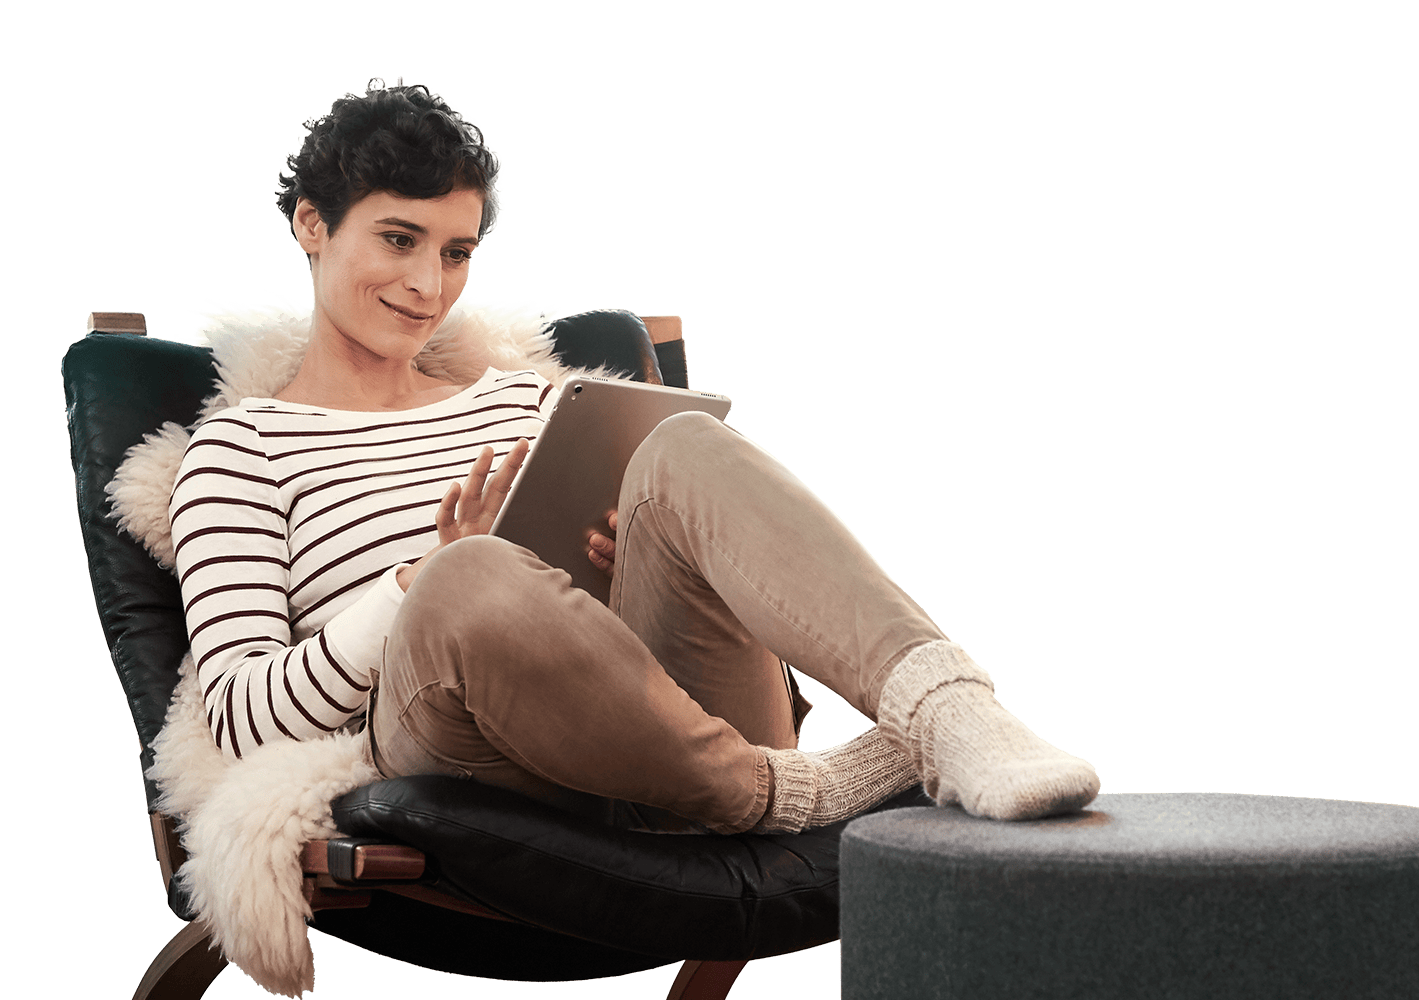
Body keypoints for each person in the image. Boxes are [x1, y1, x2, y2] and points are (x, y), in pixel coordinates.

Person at [170, 77, 1100, 835]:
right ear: (312, 225)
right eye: (399, 239)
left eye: (456, 253)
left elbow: (642, 583)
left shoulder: (529, 400)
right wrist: (417, 582)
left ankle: (950, 712)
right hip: (461, 755)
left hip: (657, 736)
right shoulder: (240, 451)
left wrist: (625, 570)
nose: (428, 285)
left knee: (681, 441)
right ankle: (793, 791)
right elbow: (245, 720)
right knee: (469, 576)